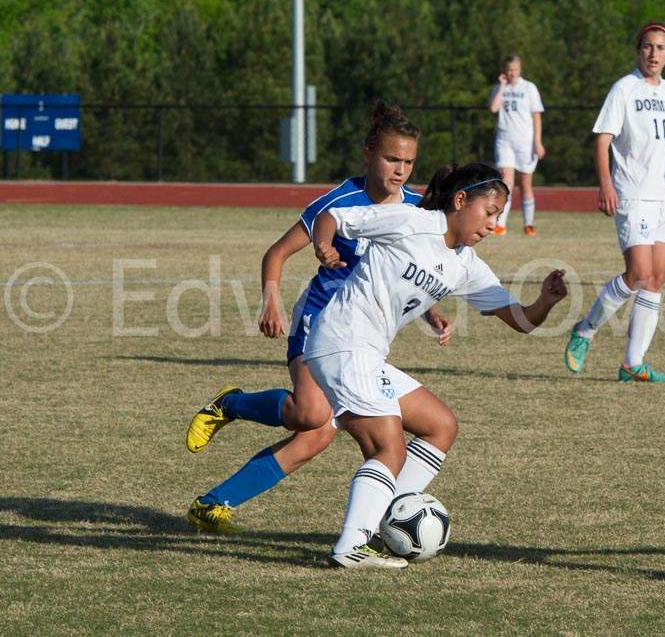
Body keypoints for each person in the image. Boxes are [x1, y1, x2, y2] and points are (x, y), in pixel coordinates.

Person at [184, 101, 453, 533]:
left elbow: (411, 273)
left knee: (317, 434)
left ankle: (214, 504)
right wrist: (270, 301)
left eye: (408, 162)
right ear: (369, 154)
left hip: (361, 338)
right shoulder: (339, 201)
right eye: (391, 159)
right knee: (314, 416)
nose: (400, 170)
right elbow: (276, 253)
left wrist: (432, 312)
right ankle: (230, 404)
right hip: (319, 320)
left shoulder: (415, 209)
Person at [306, 162, 567, 569]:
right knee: (386, 446)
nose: (494, 223)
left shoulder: (466, 263)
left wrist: (545, 302)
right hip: (341, 341)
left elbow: (520, 320)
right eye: (490, 211)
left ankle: (377, 523)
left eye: (500, 215)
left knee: (440, 425)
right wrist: (324, 246)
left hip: (367, 353)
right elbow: (331, 217)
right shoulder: (412, 221)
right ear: (460, 200)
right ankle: (352, 545)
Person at [564, 22, 665, 383]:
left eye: (661, 48)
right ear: (638, 50)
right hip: (632, 193)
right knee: (637, 274)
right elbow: (602, 141)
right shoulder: (623, 89)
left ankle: (632, 363)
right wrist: (605, 184)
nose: (654, 54)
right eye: (648, 47)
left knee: (655, 279)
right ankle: (586, 330)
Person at [487, 54, 545, 236]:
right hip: (505, 141)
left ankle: (528, 224)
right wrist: (502, 86)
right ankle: (500, 224)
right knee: (506, 183)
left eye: (515, 70)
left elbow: (536, 116)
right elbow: (493, 108)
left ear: (520, 70)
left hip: (525, 143)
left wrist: (537, 142)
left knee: (526, 184)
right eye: (509, 70)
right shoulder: (499, 87)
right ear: (504, 71)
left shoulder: (529, 88)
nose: (512, 74)